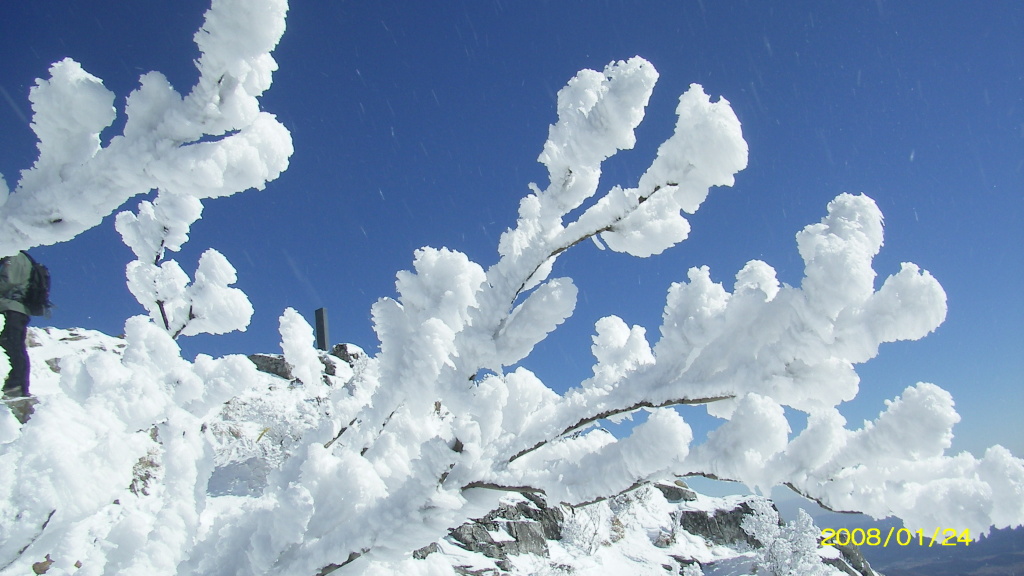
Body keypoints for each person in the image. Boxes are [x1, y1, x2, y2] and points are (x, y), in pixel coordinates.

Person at [0, 251, 34, 422]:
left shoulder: (13, 255)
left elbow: (9, 280)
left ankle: (16, 386)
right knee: (12, 344)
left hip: (13, 308)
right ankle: (16, 385)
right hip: (15, 308)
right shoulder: (17, 256)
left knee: (11, 343)